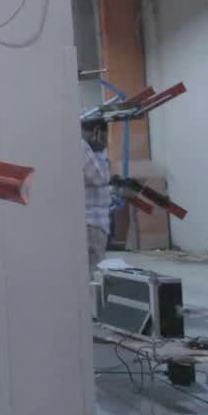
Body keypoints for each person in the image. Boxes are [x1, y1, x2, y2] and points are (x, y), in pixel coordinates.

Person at [82, 117, 112, 289]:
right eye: (105, 136)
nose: (106, 142)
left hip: (96, 222)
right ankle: (91, 310)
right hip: (91, 221)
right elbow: (99, 177)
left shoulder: (91, 151)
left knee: (95, 266)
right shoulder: (82, 147)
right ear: (97, 132)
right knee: (94, 270)